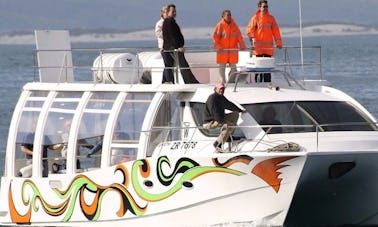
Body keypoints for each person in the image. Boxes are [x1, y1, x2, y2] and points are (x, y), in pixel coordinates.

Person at [203, 83, 247, 152]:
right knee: (230, 125)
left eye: (223, 89)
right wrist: (224, 123)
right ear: (216, 89)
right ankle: (217, 144)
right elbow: (215, 114)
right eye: (220, 89)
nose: (222, 90)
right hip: (210, 122)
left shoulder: (221, 97)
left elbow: (229, 105)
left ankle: (228, 136)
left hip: (219, 119)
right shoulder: (212, 98)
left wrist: (240, 110)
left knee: (235, 114)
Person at [246, 0, 282, 82]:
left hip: (268, 49)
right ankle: (258, 83)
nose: (265, 8)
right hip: (258, 49)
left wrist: (279, 43)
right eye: (263, 6)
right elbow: (249, 30)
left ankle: (267, 83)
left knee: (267, 69)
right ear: (259, 7)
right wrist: (251, 38)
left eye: (266, 6)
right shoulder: (255, 18)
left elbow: (276, 32)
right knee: (258, 69)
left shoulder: (271, 18)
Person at [162, 4, 199, 84]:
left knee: (180, 65)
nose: (175, 13)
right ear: (168, 12)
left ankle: (190, 81)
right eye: (173, 11)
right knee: (183, 65)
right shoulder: (168, 21)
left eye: (175, 11)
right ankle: (189, 81)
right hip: (173, 48)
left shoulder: (171, 21)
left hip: (173, 47)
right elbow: (172, 36)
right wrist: (177, 47)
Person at [213, 9, 246, 83]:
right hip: (222, 52)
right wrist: (218, 47)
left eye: (230, 15)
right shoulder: (220, 25)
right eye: (227, 15)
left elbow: (239, 37)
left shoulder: (234, 26)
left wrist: (242, 46)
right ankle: (223, 83)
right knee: (222, 69)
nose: (229, 16)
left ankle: (231, 83)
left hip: (232, 52)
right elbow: (215, 38)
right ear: (223, 16)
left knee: (234, 69)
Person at [155, 6, 170, 83]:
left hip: (170, 46)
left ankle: (164, 80)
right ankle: (167, 80)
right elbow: (158, 33)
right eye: (166, 12)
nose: (167, 14)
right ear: (162, 13)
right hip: (163, 47)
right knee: (167, 64)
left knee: (169, 64)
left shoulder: (170, 22)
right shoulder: (159, 23)